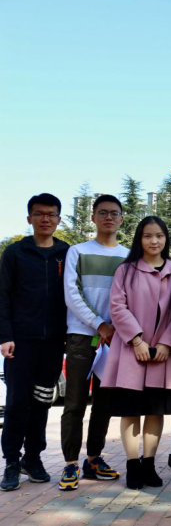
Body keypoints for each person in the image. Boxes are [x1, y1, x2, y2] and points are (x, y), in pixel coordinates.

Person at [100, 216, 171, 490]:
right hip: (130, 352)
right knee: (130, 411)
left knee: (155, 411)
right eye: (148, 236)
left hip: (162, 354)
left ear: (166, 238)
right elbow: (117, 306)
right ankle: (132, 465)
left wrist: (167, 343)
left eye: (159, 235)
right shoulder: (126, 270)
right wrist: (136, 340)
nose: (154, 241)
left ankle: (149, 464)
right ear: (139, 239)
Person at [59, 194, 129, 491]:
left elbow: (129, 296)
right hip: (81, 336)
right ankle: (70, 463)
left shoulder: (128, 256)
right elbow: (71, 294)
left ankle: (94, 458)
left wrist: (115, 328)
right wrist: (99, 323)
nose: (108, 217)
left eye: (114, 213)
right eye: (102, 212)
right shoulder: (77, 251)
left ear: (122, 219)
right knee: (75, 401)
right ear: (93, 217)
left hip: (115, 339)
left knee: (104, 402)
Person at [0, 194, 69, 491]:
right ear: (29, 218)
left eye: (51, 214)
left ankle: (33, 458)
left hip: (53, 344)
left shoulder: (66, 253)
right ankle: (11, 462)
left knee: (42, 402)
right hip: (21, 343)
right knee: (17, 402)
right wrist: (5, 336)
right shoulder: (15, 253)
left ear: (58, 219)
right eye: (39, 214)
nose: (45, 219)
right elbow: (2, 296)